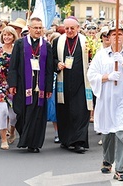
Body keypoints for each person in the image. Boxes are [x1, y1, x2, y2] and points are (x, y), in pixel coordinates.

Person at [88, 23, 123, 181]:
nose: (117, 38)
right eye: (113, 35)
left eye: (120, 35)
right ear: (108, 38)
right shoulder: (101, 55)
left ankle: (120, 169)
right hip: (107, 99)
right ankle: (107, 160)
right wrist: (107, 77)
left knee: (122, 131)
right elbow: (91, 75)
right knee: (108, 131)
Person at [8, 17, 53, 153]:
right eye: (35, 28)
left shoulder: (46, 45)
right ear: (29, 28)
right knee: (21, 113)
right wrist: (12, 84)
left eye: (40, 28)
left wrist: (49, 87)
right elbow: (13, 66)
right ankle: (25, 136)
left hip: (40, 86)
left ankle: (34, 143)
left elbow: (49, 68)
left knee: (38, 115)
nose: (38, 30)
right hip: (23, 85)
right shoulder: (20, 44)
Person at [53, 16, 92, 153]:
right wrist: (57, 63)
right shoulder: (58, 41)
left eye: (72, 28)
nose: (69, 31)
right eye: (67, 28)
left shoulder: (86, 41)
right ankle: (66, 140)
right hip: (63, 82)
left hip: (81, 82)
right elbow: (52, 59)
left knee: (80, 112)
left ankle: (79, 142)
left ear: (78, 28)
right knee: (65, 112)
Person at [0, 26, 19, 150]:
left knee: (13, 115)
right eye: (5, 35)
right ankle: (3, 139)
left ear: (14, 36)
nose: (7, 37)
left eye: (10, 35)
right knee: (2, 112)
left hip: (14, 85)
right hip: (1, 84)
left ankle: (12, 131)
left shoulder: (18, 50)